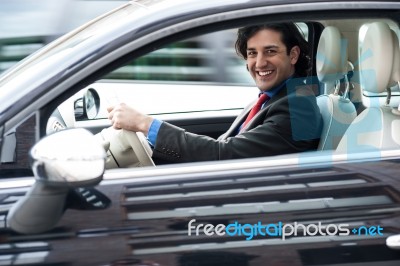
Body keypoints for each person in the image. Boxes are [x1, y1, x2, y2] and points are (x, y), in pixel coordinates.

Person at [107, 22, 322, 163]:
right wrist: (151, 141)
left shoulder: (298, 108)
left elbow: (225, 154)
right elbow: (225, 146)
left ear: (293, 55)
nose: (259, 63)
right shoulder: (274, 98)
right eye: (251, 53)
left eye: (270, 51)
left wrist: (146, 124)